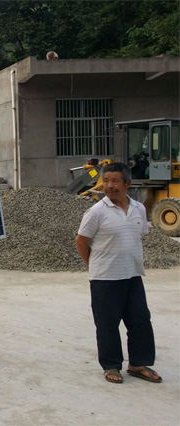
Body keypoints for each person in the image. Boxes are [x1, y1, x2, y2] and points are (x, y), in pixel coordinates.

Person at [75, 162, 162, 384]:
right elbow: (81, 241)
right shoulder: (96, 212)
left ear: (127, 184)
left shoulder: (139, 209)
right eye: (106, 181)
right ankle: (111, 366)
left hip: (133, 275)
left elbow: (138, 235)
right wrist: (93, 264)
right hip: (105, 278)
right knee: (107, 324)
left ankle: (138, 364)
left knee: (140, 320)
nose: (109, 186)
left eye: (115, 181)